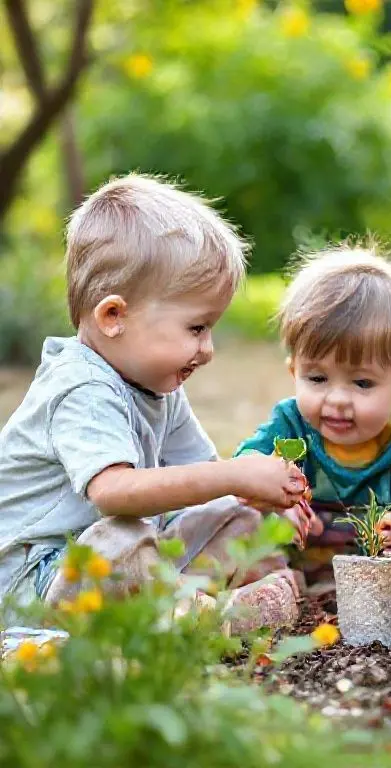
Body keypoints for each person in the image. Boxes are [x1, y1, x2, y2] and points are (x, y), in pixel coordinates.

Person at [0, 175, 309, 613]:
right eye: (196, 328)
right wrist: (235, 474)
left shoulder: (157, 386)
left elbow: (201, 476)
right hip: (38, 580)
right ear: (113, 316)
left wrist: (257, 496)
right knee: (120, 540)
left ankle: (212, 596)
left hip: (112, 563)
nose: (208, 349)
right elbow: (114, 492)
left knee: (232, 516)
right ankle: (202, 615)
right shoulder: (81, 386)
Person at [235, 247, 391, 584]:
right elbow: (243, 467)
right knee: (244, 518)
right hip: (296, 563)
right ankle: (279, 589)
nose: (337, 400)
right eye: (317, 379)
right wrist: (278, 502)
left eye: (362, 383)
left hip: (375, 573)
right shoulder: (291, 425)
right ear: (294, 373)